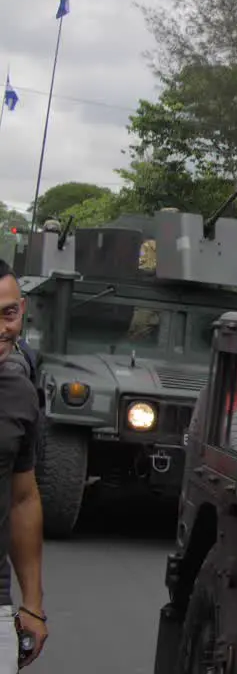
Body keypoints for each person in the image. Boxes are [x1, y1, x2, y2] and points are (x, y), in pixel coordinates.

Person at [0, 259, 47, 670]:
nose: (1, 329)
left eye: (8, 313)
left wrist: (32, 603)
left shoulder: (19, 393)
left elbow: (23, 497)